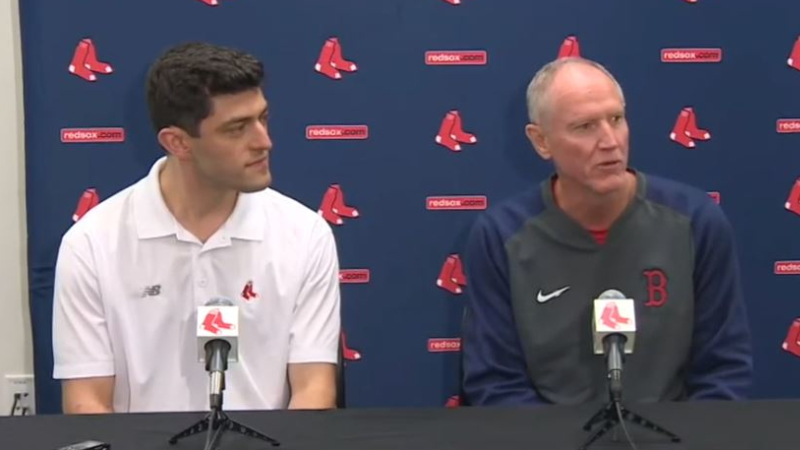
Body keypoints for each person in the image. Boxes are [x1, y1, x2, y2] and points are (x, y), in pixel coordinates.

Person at [52, 42, 342, 413]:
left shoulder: (306, 234)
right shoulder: (91, 244)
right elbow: (86, 403)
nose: (264, 142)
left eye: (263, 118)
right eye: (237, 128)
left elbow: (314, 392)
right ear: (177, 142)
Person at [460, 57, 753, 406]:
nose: (610, 141)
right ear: (541, 141)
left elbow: (723, 373)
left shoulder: (696, 222)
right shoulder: (501, 236)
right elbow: (496, 384)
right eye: (584, 127)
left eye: (616, 119)